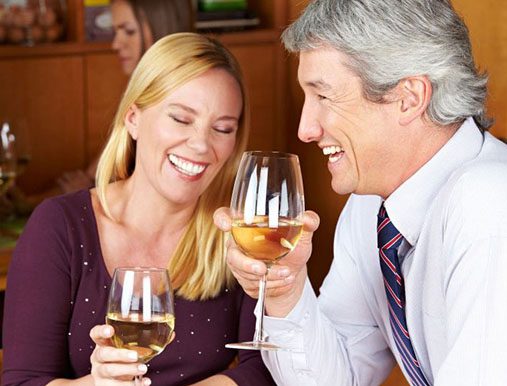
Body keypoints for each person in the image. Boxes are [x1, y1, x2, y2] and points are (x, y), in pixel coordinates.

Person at [214, 0, 507, 385]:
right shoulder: (369, 208)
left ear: (409, 97)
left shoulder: (489, 202)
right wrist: (285, 292)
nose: (306, 129)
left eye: (323, 96)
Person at [2, 32, 275, 386]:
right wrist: (96, 383)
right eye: (180, 118)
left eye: (222, 129)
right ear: (133, 118)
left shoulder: (237, 234)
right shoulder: (60, 226)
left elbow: (263, 368)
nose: (200, 144)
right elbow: (24, 381)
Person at [56, 0, 195, 194]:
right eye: (115, 32)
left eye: (129, 31)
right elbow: (94, 175)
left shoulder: (183, 96)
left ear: (162, 29)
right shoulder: (140, 94)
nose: (115, 44)